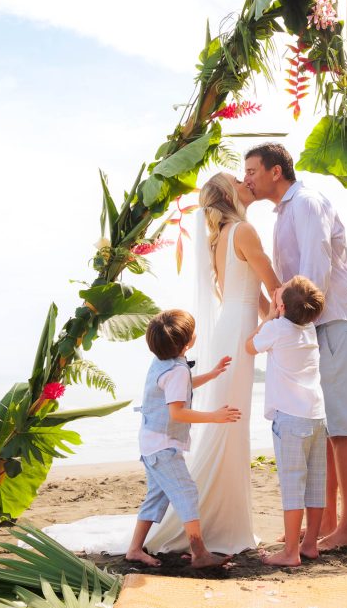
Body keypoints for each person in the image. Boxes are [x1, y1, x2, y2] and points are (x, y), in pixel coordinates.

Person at [144, 171, 281, 555]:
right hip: (239, 330)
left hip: (231, 329)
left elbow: (255, 295)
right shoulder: (245, 232)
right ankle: (222, 524)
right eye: (238, 179)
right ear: (227, 194)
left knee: (230, 425)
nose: (245, 181)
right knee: (231, 423)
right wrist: (280, 326)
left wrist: (269, 323)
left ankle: (223, 518)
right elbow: (273, 288)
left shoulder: (222, 237)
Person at [245, 143, 347, 550]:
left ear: (275, 171)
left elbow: (315, 273)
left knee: (342, 429)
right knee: (323, 427)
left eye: (252, 171)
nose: (248, 179)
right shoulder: (283, 214)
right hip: (314, 329)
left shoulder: (307, 203)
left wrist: (295, 328)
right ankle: (327, 524)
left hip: (332, 323)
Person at [126, 308, 240, 568]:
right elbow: (177, 412)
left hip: (150, 440)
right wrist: (214, 416)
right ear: (188, 342)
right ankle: (199, 552)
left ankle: (134, 549)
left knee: (157, 496)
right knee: (186, 492)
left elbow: (179, 387)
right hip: (162, 445)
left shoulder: (163, 362)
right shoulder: (176, 369)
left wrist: (211, 374)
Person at [246, 276, 327, 567]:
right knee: (316, 483)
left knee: (293, 484)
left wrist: (268, 315)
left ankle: (290, 552)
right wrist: (281, 306)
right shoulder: (311, 330)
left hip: (290, 419)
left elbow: (249, 346)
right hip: (317, 415)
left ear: (281, 305)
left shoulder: (277, 328)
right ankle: (310, 545)